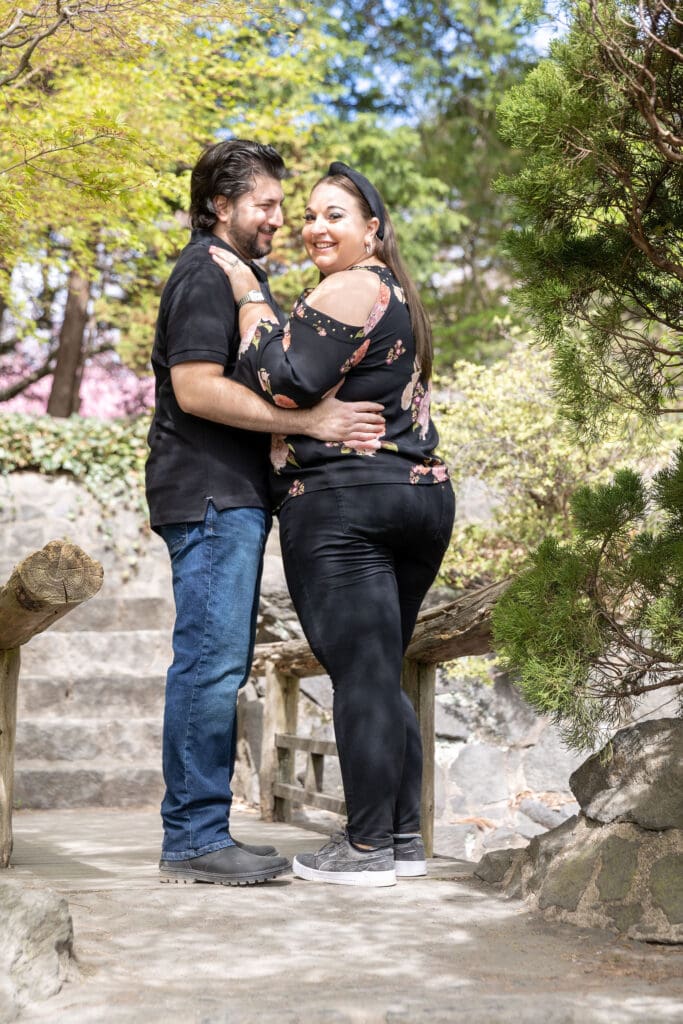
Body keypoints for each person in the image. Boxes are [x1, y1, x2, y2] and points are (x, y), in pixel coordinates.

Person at [145, 141, 385, 886]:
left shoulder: (239, 277)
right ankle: (192, 837)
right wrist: (312, 425)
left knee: (221, 665)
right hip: (210, 493)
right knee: (210, 668)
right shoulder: (203, 275)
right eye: (268, 205)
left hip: (234, 494)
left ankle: (199, 831)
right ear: (221, 205)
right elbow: (194, 389)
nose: (281, 219)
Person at [209, 161, 455, 887]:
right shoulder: (397, 296)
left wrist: (251, 299)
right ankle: (401, 837)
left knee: (361, 674)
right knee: (379, 669)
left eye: (334, 215)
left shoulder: (352, 284)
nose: (315, 227)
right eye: (309, 215)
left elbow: (282, 378)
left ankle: (367, 845)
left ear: (372, 231)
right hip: (416, 496)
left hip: (347, 501)